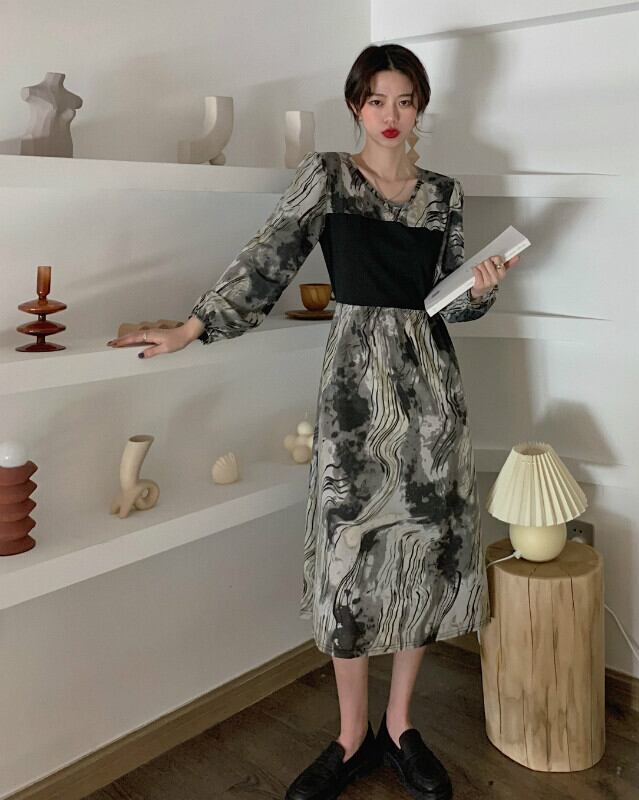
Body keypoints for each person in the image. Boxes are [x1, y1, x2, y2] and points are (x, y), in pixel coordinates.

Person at [107, 43, 519, 800]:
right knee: (349, 556)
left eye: (405, 101)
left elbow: (451, 301)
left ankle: (400, 725)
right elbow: (268, 258)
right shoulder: (327, 176)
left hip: (431, 390)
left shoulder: (444, 194)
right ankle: (350, 735)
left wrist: (483, 286)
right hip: (355, 389)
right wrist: (193, 326)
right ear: (356, 104)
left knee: (423, 549)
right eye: (377, 100)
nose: (391, 115)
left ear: (420, 107)